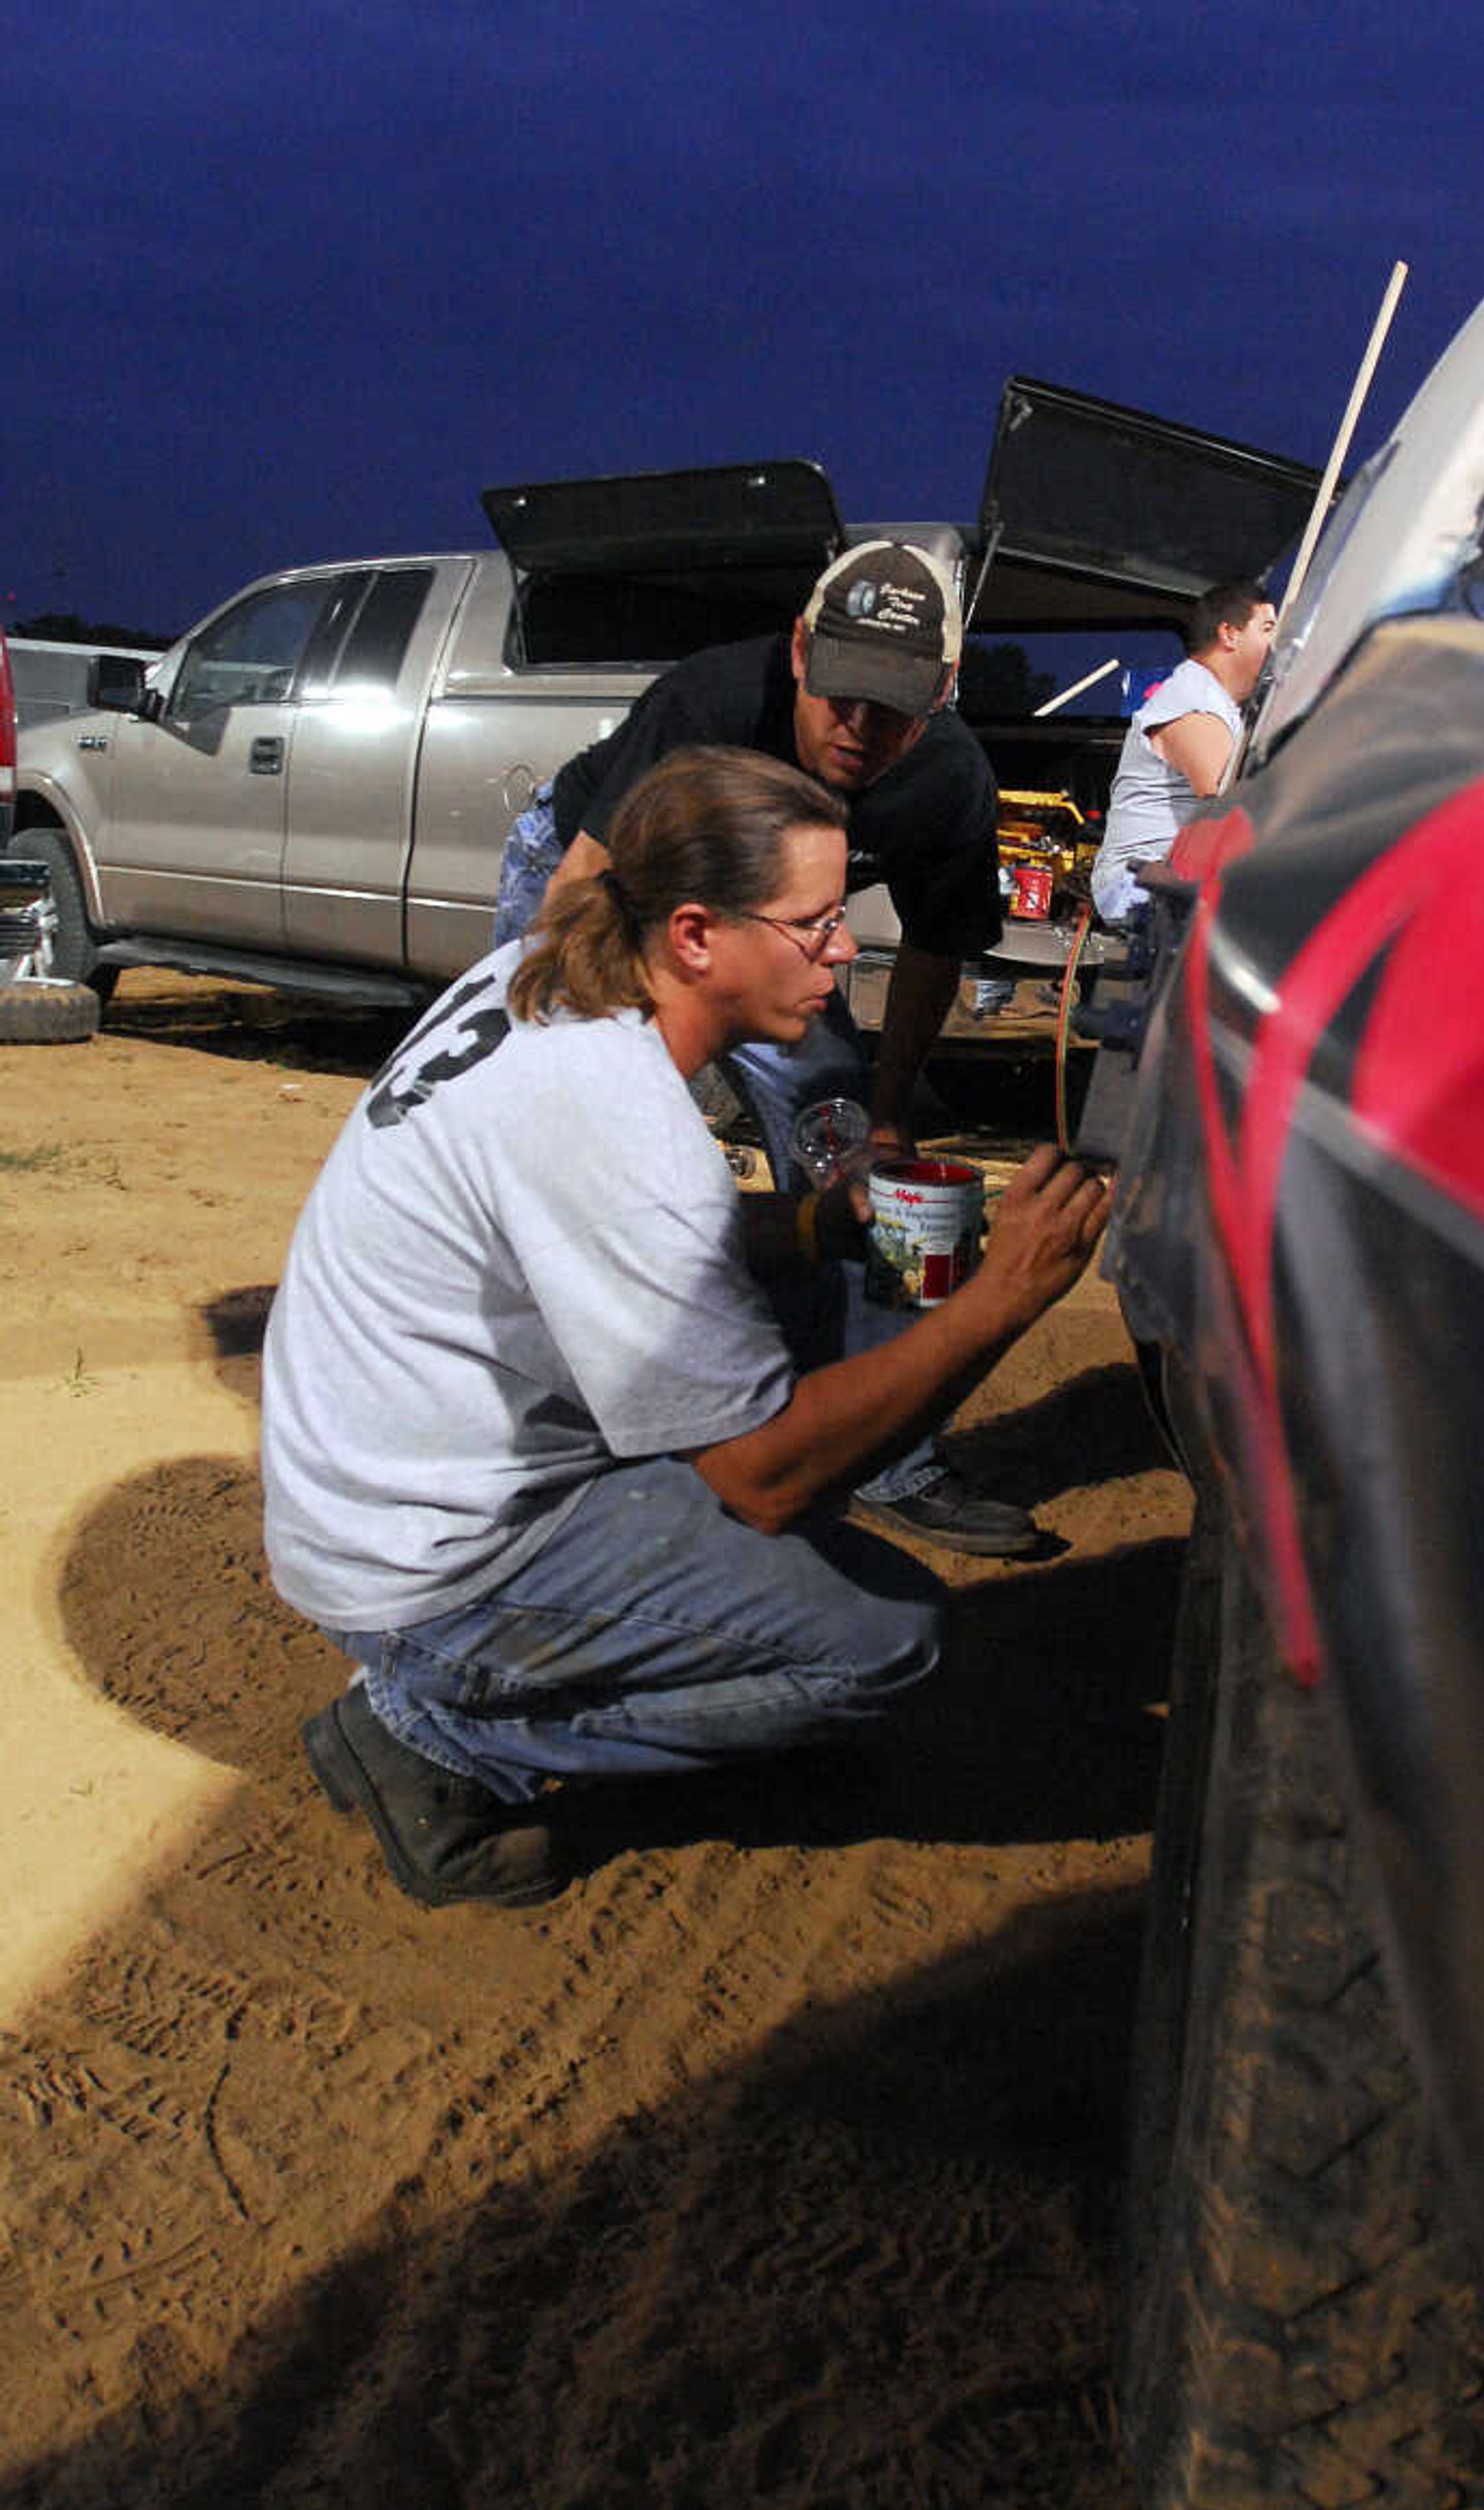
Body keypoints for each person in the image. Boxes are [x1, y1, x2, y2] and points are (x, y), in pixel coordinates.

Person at [263, 746, 1111, 1911]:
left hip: (380, 1477)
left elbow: (648, 1235)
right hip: (424, 1561)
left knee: (835, 1278)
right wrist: (1004, 1294)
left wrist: (818, 1225)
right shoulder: (619, 1118)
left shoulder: (541, 975)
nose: (843, 948)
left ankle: (621, 1640)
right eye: (811, 924)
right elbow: (763, 1478)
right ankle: (438, 1731)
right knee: (883, 1638)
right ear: (697, 935)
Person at [495, 538, 1036, 1558]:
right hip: (612, 886)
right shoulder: (708, 704)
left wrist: (884, 1107)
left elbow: (932, 956)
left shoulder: (952, 781)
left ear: (945, 689)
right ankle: (559, 1413)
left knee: (861, 1154)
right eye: (841, 694)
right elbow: (584, 880)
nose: (861, 729)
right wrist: (560, 1053)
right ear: (798, 651)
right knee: (566, 1136)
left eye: (895, 703)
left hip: (774, 926)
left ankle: (885, 1451)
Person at [1089, 581, 1278, 927]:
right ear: (1230, 635)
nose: (1277, 643)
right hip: (1134, 884)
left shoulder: (1220, 704)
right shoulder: (1195, 701)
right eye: (1267, 629)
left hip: (1166, 875)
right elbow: (1226, 805)